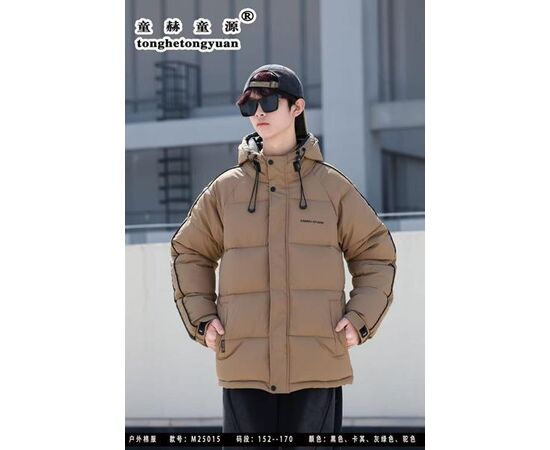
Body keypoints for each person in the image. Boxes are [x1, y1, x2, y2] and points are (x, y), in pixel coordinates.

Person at [170, 64, 397, 446]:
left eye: (270, 102)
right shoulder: (225, 191)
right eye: (249, 106)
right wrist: (202, 319)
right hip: (245, 365)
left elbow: (375, 253)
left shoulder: (331, 188)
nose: (259, 113)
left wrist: (360, 318)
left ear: (297, 108)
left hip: (317, 364)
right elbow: (189, 251)